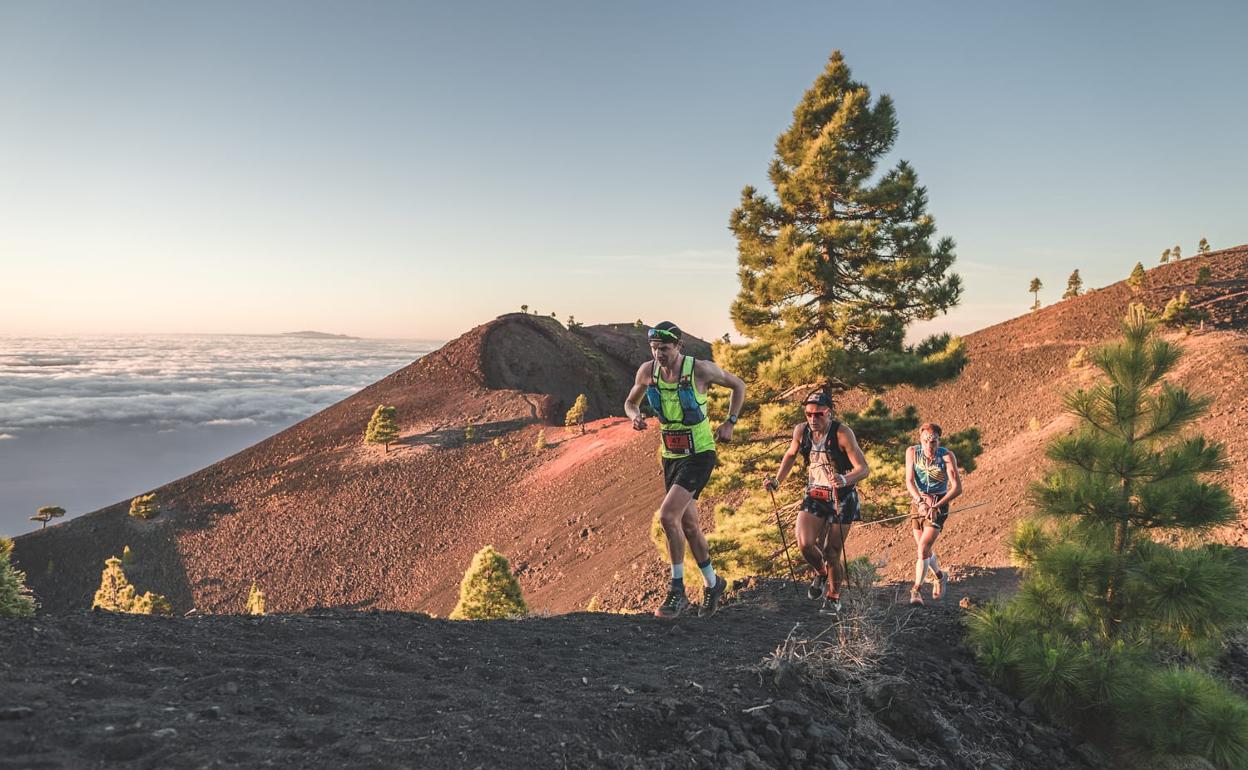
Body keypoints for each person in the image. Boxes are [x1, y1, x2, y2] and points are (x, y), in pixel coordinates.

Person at [624, 321, 746, 619]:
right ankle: (713, 584)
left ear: (679, 346)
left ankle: (676, 591)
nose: (658, 354)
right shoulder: (647, 371)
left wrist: (730, 422)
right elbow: (629, 402)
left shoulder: (701, 370)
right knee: (689, 526)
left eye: (664, 348)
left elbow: (738, 385)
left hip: (700, 453)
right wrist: (635, 415)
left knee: (667, 516)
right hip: (671, 455)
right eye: (654, 348)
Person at [764, 391, 870, 616]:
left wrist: (844, 479)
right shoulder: (801, 431)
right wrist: (776, 480)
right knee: (804, 544)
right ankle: (820, 572)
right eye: (809, 414)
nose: (813, 419)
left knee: (832, 551)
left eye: (818, 414)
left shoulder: (842, 433)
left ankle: (833, 597)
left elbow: (863, 468)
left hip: (842, 497)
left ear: (828, 413)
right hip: (815, 494)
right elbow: (791, 454)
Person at [904, 422, 962, 605]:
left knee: (922, 549)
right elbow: (909, 481)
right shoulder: (912, 452)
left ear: (939, 440)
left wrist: (937, 506)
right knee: (924, 549)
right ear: (920, 440)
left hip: (939, 503)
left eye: (934, 441)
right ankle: (939, 575)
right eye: (926, 441)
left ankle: (916, 591)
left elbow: (957, 488)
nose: (930, 446)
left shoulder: (946, 455)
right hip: (919, 503)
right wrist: (920, 502)